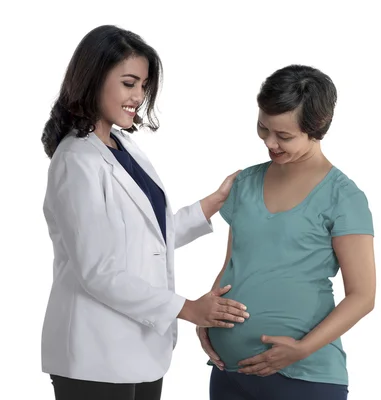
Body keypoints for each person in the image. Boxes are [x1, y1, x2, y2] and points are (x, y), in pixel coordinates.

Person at [40, 25, 249, 400]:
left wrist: (215, 201)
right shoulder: (76, 161)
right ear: (92, 79)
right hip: (94, 354)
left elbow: (149, 234)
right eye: (129, 83)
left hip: (141, 349)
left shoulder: (123, 145)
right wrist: (189, 309)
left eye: (143, 85)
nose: (138, 96)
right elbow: (98, 271)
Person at [196, 64, 376, 400]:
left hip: (306, 378)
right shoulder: (245, 182)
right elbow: (235, 264)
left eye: (284, 136)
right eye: (263, 129)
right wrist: (207, 315)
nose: (270, 143)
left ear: (317, 128)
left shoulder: (343, 196)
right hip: (229, 374)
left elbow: (363, 296)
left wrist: (302, 348)